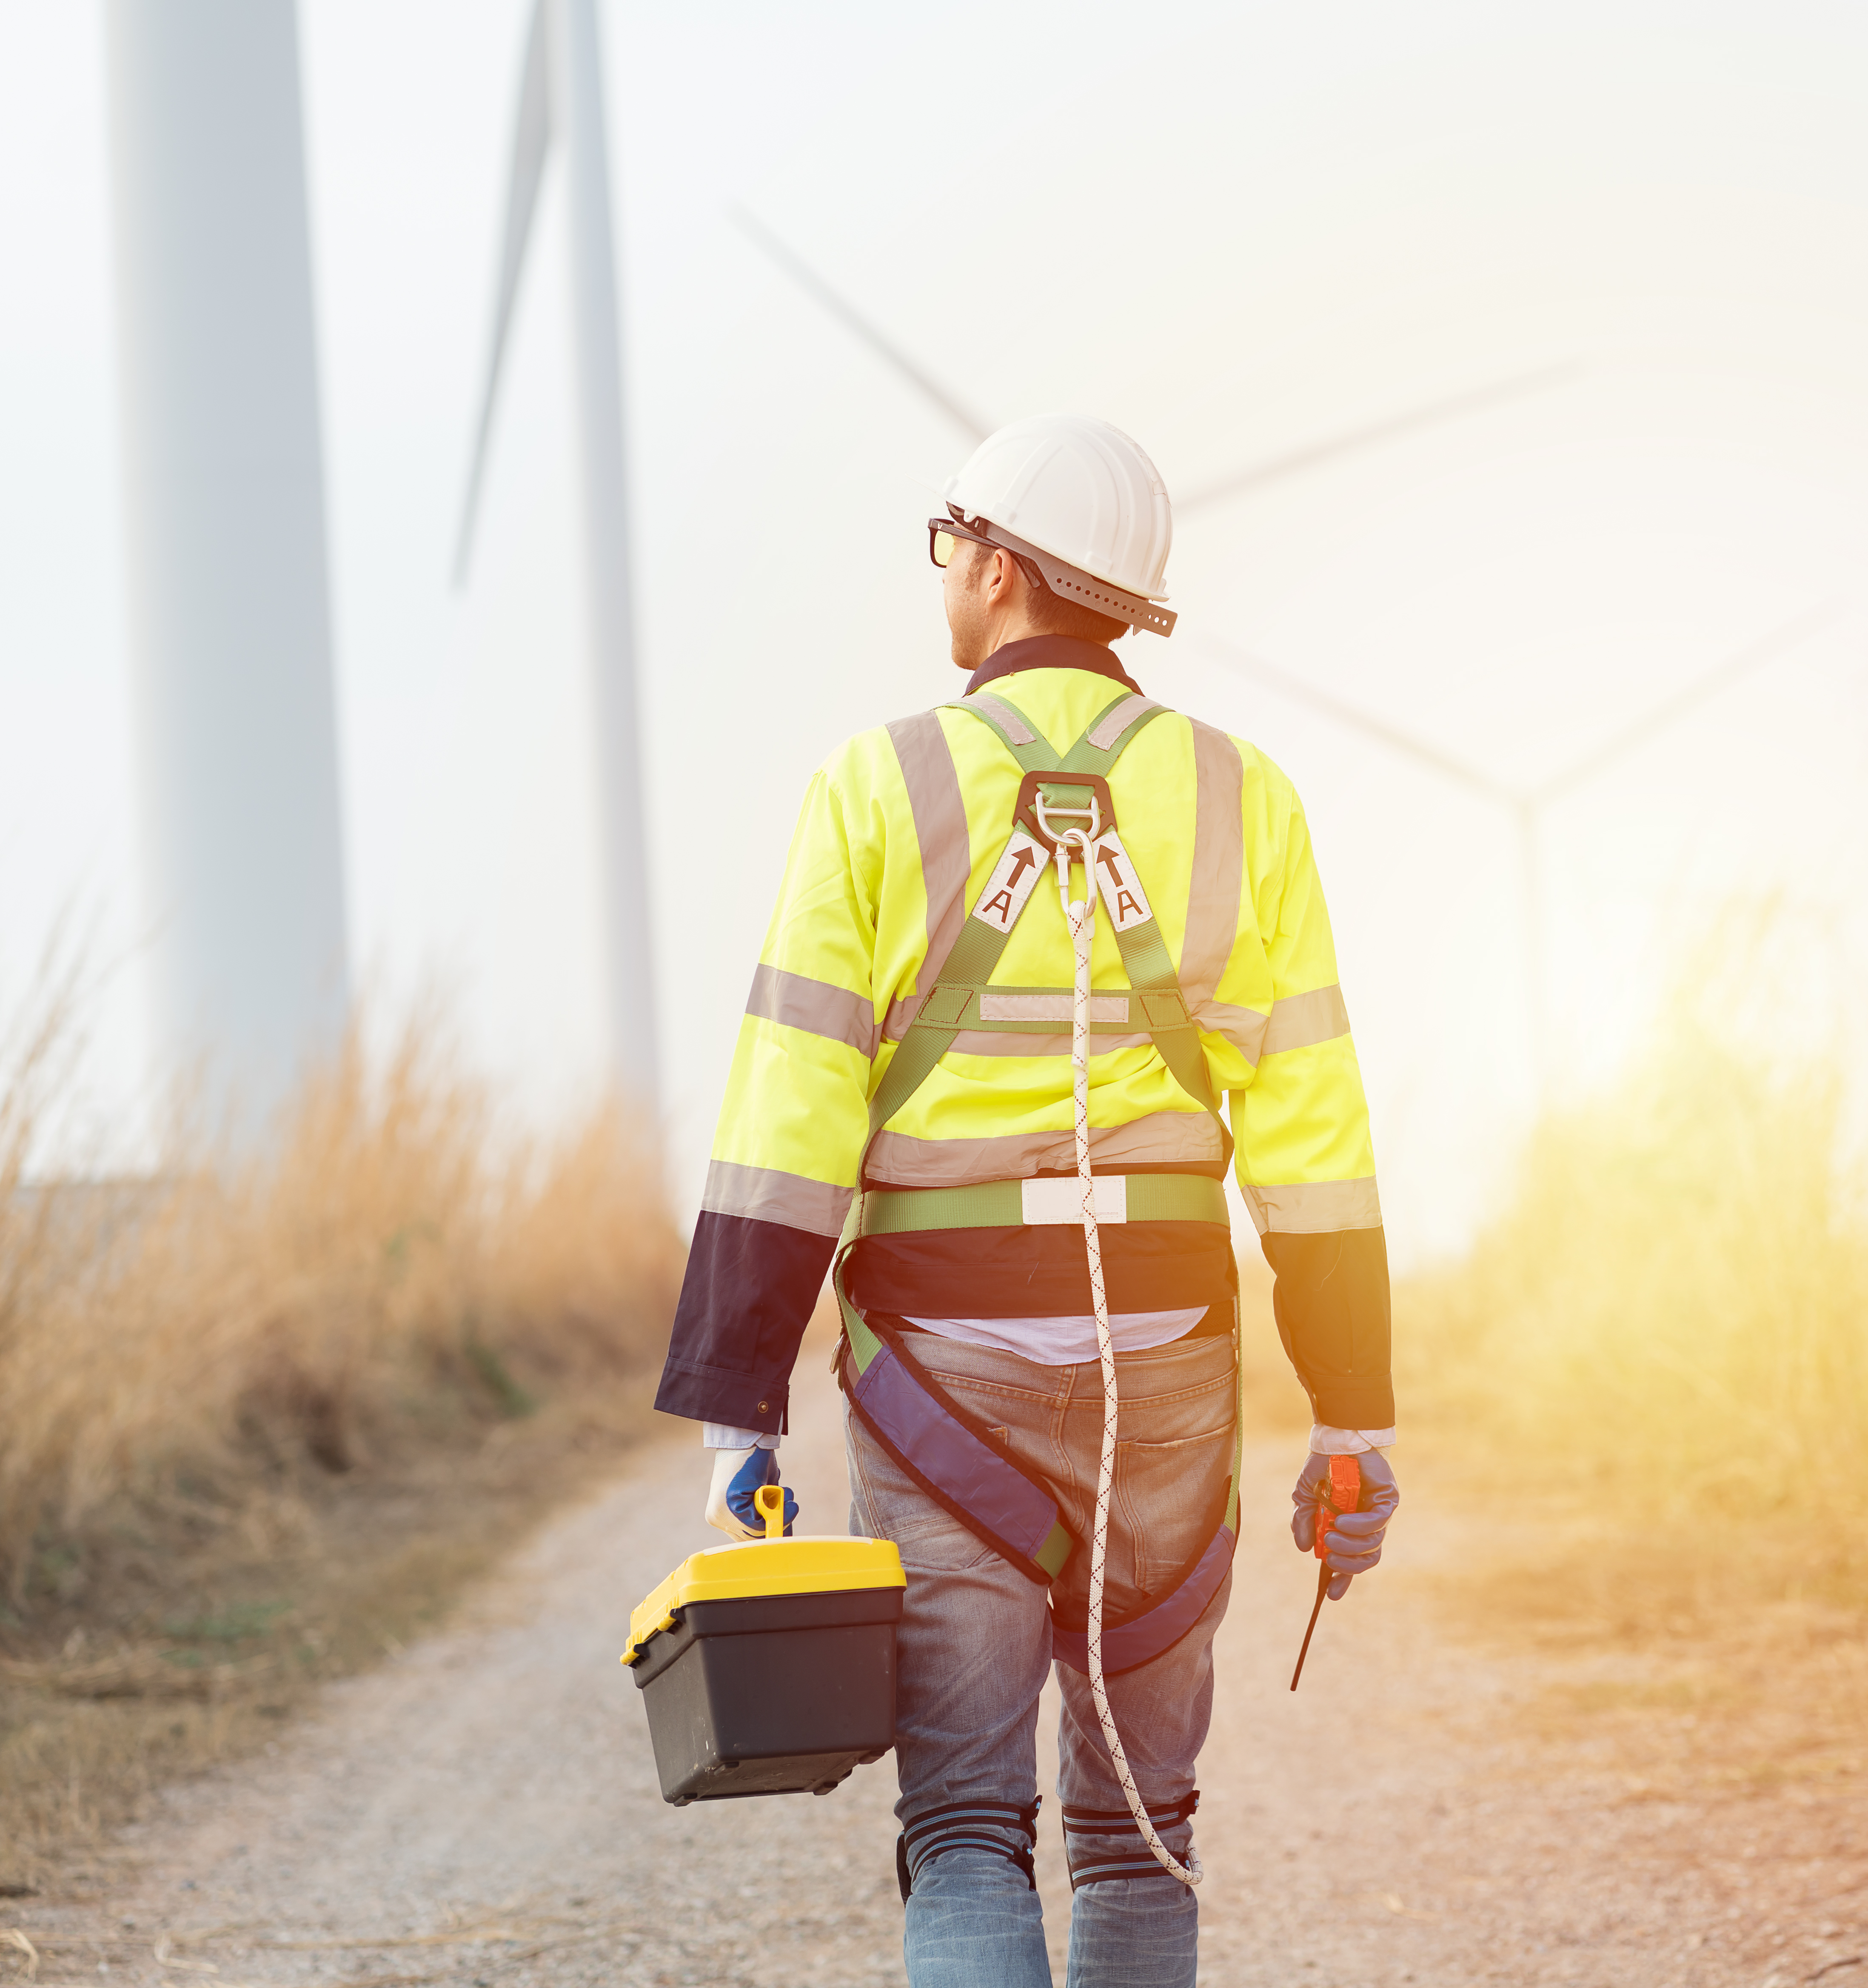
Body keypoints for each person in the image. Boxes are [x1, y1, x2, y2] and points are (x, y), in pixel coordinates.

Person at [653, 411, 1399, 1988]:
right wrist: (1353, 1412)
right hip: (1172, 1358)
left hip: (944, 1372)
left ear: (997, 566)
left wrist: (742, 1410)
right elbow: (1315, 1131)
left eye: (951, 545)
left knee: (968, 1830)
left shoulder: (878, 785)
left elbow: (791, 1103)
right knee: (1139, 1828)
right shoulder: (1245, 796)